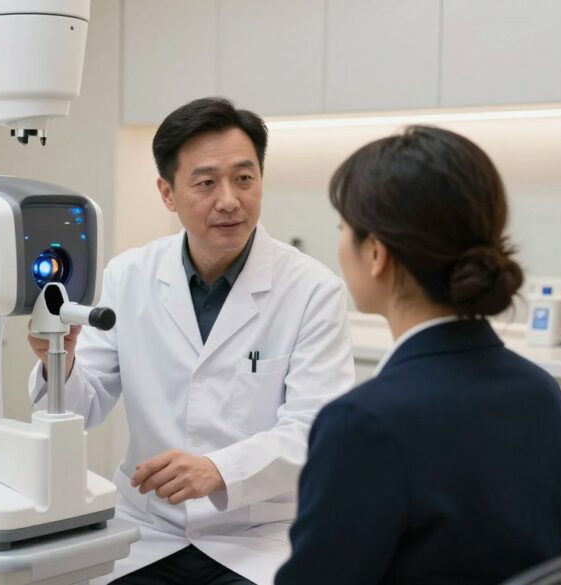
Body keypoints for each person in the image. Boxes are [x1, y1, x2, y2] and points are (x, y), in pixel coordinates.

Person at [26, 97, 355, 584]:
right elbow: (83, 405)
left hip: (256, 537)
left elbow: (316, 430)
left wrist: (220, 470)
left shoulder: (311, 289)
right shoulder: (130, 275)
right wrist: (61, 360)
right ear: (167, 192)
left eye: (244, 178)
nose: (229, 200)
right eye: (205, 183)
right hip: (147, 530)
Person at [275, 125, 561, 585]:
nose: (340, 246)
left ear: (376, 253)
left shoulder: (364, 424)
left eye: (343, 229)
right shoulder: (540, 393)